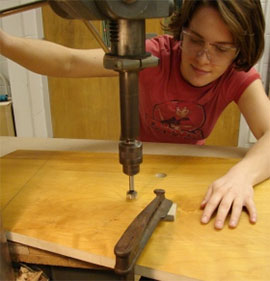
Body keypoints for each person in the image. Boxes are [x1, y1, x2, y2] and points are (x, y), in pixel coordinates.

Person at [0, 0, 269, 230]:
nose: (203, 58)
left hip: (190, 170)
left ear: (240, 50)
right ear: (182, 30)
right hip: (143, 167)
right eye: (195, 39)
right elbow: (68, 62)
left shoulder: (237, 75)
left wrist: (241, 176)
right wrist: (4, 42)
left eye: (221, 48)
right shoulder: (156, 55)